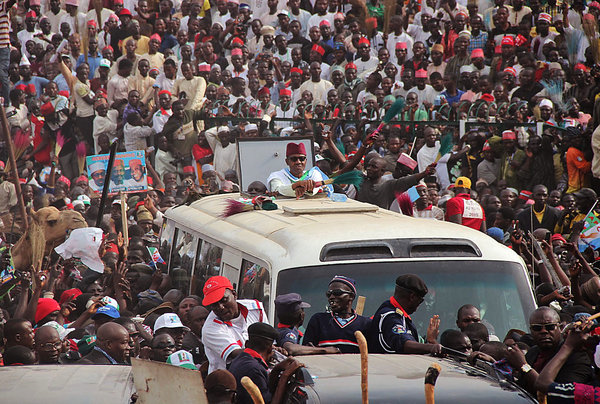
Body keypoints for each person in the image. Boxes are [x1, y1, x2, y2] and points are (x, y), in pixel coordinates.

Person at [505, 307, 594, 394]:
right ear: (531, 330)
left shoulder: (577, 357)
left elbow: (558, 395)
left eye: (550, 327)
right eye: (537, 328)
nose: (544, 331)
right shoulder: (532, 353)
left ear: (560, 327)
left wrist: (523, 366)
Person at [201, 276, 268, 373]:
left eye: (224, 300)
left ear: (234, 295)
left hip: (258, 371)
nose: (221, 307)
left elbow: (269, 340)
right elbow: (237, 354)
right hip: (227, 381)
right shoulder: (210, 328)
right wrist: (269, 351)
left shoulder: (256, 309)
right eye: (214, 304)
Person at [229, 322, 303, 404]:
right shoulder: (255, 369)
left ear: (246, 344)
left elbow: (265, 389)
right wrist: (285, 376)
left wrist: (276, 370)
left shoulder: (239, 360)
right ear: (270, 349)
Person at [368, 274, 442, 355]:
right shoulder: (390, 317)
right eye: (420, 300)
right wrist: (431, 347)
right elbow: (403, 343)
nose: (420, 304)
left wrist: (431, 341)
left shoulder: (400, 316)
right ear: (412, 297)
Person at [302, 275, 371, 353]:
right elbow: (306, 351)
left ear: (351, 296)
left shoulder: (366, 324)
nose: (331, 297)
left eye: (337, 293)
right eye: (329, 294)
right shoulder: (319, 320)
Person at [274, 293, 339, 355]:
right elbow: (291, 349)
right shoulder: (289, 333)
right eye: (302, 310)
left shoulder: (281, 330)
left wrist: (310, 349)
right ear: (301, 316)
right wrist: (325, 350)